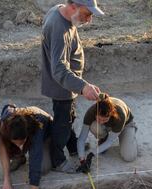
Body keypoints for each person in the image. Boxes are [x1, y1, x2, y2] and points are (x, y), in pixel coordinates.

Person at [41, 0, 104, 173]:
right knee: (62, 124)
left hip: (69, 85)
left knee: (70, 117)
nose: (89, 20)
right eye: (87, 14)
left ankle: (74, 146)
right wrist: (83, 87)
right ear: (74, 6)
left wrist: (78, 85)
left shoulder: (62, 12)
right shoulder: (59, 28)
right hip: (63, 87)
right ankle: (58, 160)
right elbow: (59, 69)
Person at [0, 104, 52, 189]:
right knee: (6, 145)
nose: (19, 145)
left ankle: (41, 147)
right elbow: (8, 106)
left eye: (22, 142)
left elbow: (34, 166)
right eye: (16, 142)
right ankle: (19, 157)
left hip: (45, 128)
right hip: (20, 127)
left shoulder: (36, 129)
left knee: (44, 167)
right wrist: (6, 180)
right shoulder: (4, 124)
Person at [77, 93, 137, 173]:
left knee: (129, 157)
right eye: (99, 119)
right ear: (95, 113)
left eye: (104, 119)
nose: (101, 122)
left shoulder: (119, 115)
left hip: (125, 124)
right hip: (110, 126)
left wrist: (91, 154)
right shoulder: (91, 112)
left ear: (111, 114)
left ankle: (130, 137)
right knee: (95, 126)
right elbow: (81, 139)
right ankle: (103, 138)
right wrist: (82, 160)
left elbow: (110, 141)